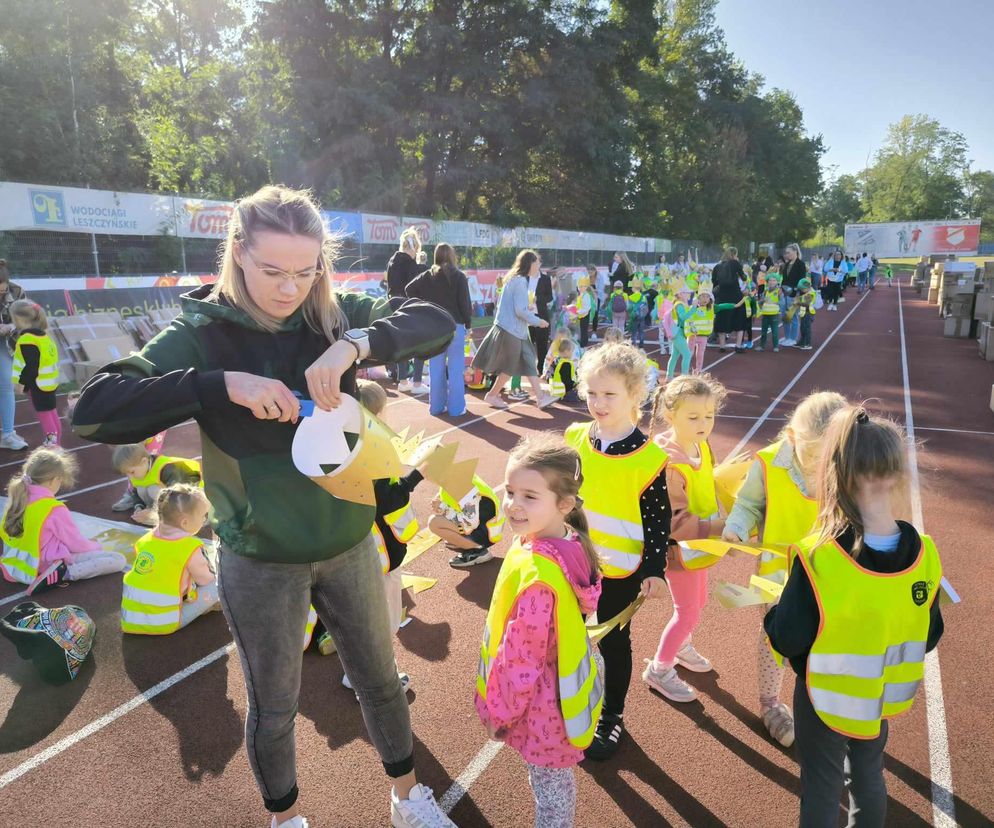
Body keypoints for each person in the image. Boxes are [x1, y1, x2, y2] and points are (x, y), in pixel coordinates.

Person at [70, 184, 458, 828]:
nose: (289, 288)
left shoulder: (334, 312)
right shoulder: (201, 333)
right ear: (237, 253)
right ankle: (285, 819)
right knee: (274, 705)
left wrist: (355, 344)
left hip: (348, 541)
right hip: (259, 557)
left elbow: (436, 323)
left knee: (382, 682)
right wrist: (220, 386)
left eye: (306, 271)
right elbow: (94, 411)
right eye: (272, 270)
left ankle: (406, 797)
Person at [765, 406, 944, 827]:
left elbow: (788, 637)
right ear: (897, 474)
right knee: (868, 775)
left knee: (823, 787)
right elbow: (930, 633)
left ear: (837, 474)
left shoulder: (819, 556)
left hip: (823, 698)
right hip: (879, 695)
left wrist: (772, 615)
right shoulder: (926, 555)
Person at [476, 434, 603, 828]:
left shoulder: (538, 577)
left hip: (545, 703)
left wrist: (499, 711)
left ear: (563, 505)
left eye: (530, 496)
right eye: (510, 491)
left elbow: (521, 659)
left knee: (550, 786)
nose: (513, 504)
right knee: (556, 781)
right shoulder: (572, 542)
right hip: (564, 681)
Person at [723, 391, 847, 747]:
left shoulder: (843, 463)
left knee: (824, 635)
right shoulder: (766, 464)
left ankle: (821, 698)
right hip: (776, 575)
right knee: (775, 639)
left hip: (826, 571)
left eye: (828, 455)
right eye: (813, 455)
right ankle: (771, 705)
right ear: (792, 437)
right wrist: (736, 526)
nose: (819, 464)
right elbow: (748, 504)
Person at [565, 342, 670, 760]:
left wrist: (655, 569)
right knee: (569, 634)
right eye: (591, 392)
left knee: (614, 644)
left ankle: (612, 715)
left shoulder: (650, 458)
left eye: (609, 394)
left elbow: (658, 522)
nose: (598, 402)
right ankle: (573, 700)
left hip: (621, 571)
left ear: (634, 396)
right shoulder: (574, 437)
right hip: (573, 562)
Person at [642, 374, 726, 702]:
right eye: (693, 417)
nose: (703, 424)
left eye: (709, 416)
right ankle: (660, 669)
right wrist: (720, 526)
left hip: (700, 542)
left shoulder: (700, 445)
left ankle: (682, 645)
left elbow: (706, 482)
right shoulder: (668, 462)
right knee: (688, 610)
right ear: (670, 415)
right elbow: (675, 522)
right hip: (678, 548)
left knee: (698, 603)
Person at [1, 447, 127, 593]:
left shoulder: (17, 499)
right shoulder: (53, 508)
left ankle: (57, 572)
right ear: (54, 480)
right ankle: (65, 574)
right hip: (47, 564)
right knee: (118, 559)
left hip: (16, 564)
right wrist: (95, 545)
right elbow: (76, 544)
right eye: (60, 480)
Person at [121, 484, 219, 634]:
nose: (204, 520)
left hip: (130, 618)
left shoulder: (144, 540)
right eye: (202, 516)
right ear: (185, 522)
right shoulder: (190, 547)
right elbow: (207, 580)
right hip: (164, 621)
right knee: (218, 585)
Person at [474, 250, 554, 411]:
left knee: (530, 360)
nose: (539, 265)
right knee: (510, 366)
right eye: (537, 262)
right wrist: (538, 321)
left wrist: (528, 310)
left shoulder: (516, 280)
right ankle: (492, 394)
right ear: (529, 264)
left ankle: (540, 397)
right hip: (511, 330)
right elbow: (520, 311)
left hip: (518, 330)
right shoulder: (519, 282)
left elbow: (519, 308)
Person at [405, 242, 472, 417]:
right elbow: (465, 304)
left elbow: (408, 289)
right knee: (456, 369)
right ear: (452, 256)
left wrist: (424, 307)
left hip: (434, 328)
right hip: (455, 327)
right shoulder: (459, 276)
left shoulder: (428, 275)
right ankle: (457, 409)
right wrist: (468, 324)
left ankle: (436, 407)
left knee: (436, 369)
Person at [111, 443, 202, 527]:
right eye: (127, 474)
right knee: (142, 489)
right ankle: (158, 513)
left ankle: (172, 516)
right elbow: (135, 493)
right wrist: (139, 508)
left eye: (132, 472)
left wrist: (154, 512)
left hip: (192, 493)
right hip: (170, 497)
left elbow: (176, 495)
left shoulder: (166, 469)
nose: (130, 478)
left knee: (152, 489)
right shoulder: (138, 471)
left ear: (144, 461)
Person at [9, 300, 61, 446]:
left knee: (45, 416)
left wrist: (21, 384)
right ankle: (57, 444)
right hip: (48, 383)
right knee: (52, 414)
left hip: (38, 385)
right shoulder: (44, 336)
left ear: (18, 319)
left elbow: (31, 366)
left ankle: (53, 447)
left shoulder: (27, 339)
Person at [428, 473, 505, 568]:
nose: (426, 477)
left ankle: (478, 550)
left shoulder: (463, 488)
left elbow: (469, 524)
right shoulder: (456, 477)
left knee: (435, 523)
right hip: (486, 526)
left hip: (486, 532)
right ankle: (473, 545)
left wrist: (443, 507)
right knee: (450, 537)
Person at [387, 228, 429, 396]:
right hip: (407, 302)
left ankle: (403, 380)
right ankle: (417, 381)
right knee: (420, 341)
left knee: (402, 342)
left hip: (393, 303)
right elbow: (414, 286)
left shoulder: (392, 260)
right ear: (413, 247)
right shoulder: (410, 263)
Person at [0, 261, 29, 450]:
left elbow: (27, 319)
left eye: (2, 290)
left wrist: (10, 326)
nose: (0, 294)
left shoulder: (18, 291)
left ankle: (8, 434)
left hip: (7, 342)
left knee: (6, 383)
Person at [711, 247, 748, 352]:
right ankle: (738, 346)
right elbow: (744, 277)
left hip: (721, 296)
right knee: (740, 319)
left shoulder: (717, 266)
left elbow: (714, 282)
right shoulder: (735, 263)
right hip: (735, 295)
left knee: (722, 319)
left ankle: (722, 346)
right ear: (734, 255)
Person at [779, 244, 808, 347]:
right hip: (785, 293)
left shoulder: (800, 264)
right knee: (785, 316)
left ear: (795, 251)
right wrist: (781, 289)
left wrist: (797, 294)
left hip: (794, 294)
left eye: (788, 252)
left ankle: (793, 338)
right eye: (786, 253)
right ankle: (787, 337)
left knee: (793, 316)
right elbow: (784, 279)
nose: (786, 255)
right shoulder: (786, 264)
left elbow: (802, 280)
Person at [685, 290, 715, 374]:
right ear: (698, 298)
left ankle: (698, 370)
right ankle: (686, 370)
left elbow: (723, 306)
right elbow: (687, 318)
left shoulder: (711, 308)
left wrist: (735, 305)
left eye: (707, 297)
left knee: (700, 354)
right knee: (689, 354)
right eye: (703, 296)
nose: (705, 299)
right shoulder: (692, 308)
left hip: (703, 336)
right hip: (692, 336)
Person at [666, 286, 693, 379]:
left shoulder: (680, 304)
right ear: (680, 294)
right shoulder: (679, 305)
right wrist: (693, 309)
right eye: (686, 293)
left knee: (674, 356)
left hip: (678, 332)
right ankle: (684, 378)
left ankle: (669, 376)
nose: (688, 294)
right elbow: (683, 317)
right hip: (678, 332)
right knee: (687, 355)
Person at [756, 274, 784, 352]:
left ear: (777, 282)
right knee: (763, 331)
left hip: (774, 314)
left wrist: (774, 302)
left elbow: (782, 302)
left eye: (774, 280)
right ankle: (762, 346)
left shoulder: (779, 291)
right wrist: (762, 301)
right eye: (770, 280)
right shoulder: (765, 291)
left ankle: (775, 346)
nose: (772, 282)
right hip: (765, 314)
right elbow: (760, 302)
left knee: (775, 332)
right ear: (768, 282)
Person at [790, 278, 817, 351]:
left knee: (807, 329)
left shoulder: (810, 294)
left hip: (808, 313)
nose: (801, 290)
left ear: (807, 288)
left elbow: (806, 304)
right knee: (802, 328)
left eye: (802, 289)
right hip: (803, 313)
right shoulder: (806, 292)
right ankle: (802, 342)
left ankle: (807, 343)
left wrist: (797, 303)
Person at [575, 272, 596, 348]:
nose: (580, 288)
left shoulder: (586, 295)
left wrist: (578, 311)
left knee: (584, 330)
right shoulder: (580, 295)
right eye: (579, 286)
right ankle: (582, 342)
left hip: (585, 315)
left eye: (582, 286)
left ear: (586, 287)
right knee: (581, 330)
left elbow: (587, 307)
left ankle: (584, 344)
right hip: (580, 315)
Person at [626, 277, 648, 347]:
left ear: (634, 288)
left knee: (634, 331)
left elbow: (629, 307)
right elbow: (646, 306)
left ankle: (634, 343)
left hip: (635, 316)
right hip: (642, 316)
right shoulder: (643, 296)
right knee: (641, 330)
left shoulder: (631, 297)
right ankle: (641, 343)